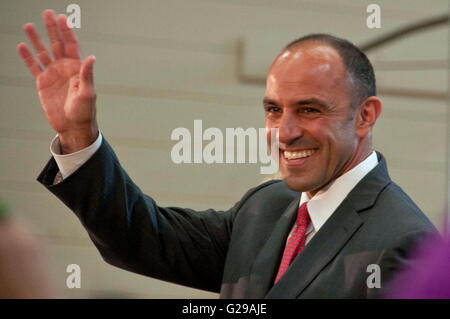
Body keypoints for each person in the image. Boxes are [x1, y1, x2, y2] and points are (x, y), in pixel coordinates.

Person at [18, 9, 437, 298]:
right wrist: (78, 133)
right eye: (273, 110)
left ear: (365, 116)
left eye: (309, 110)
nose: (285, 132)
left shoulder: (406, 245)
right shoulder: (268, 205)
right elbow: (139, 237)